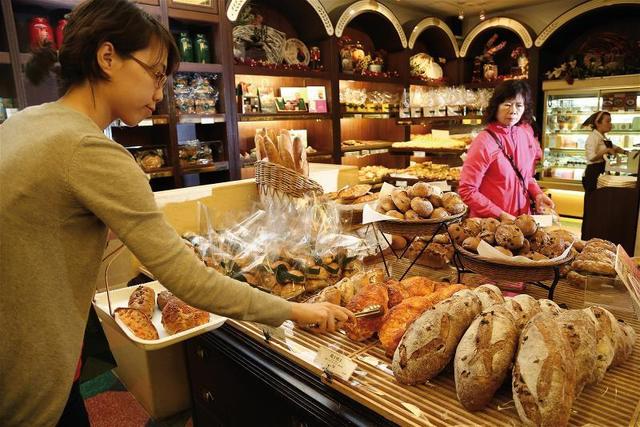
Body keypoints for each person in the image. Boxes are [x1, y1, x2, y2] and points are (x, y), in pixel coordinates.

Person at [0, 1, 352, 426]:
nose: (160, 90)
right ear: (107, 57)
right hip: (29, 371)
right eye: (155, 72)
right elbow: (189, 281)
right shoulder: (91, 151)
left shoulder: (24, 122)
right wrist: (297, 312)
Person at [458, 80, 554, 221]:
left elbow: (525, 176)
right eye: (507, 104)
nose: (513, 110)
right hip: (490, 224)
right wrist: (500, 215)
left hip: (521, 221)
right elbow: (467, 190)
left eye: (519, 105)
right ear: (495, 106)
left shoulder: (524, 135)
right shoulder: (484, 141)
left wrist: (538, 194)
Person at [580, 110, 626, 237]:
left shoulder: (603, 137)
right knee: (591, 206)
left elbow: (615, 148)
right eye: (608, 121)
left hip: (600, 172)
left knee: (598, 205)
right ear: (598, 123)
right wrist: (605, 151)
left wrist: (627, 153)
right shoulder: (593, 138)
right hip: (592, 174)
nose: (611, 124)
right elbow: (591, 157)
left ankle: (595, 234)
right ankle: (587, 235)